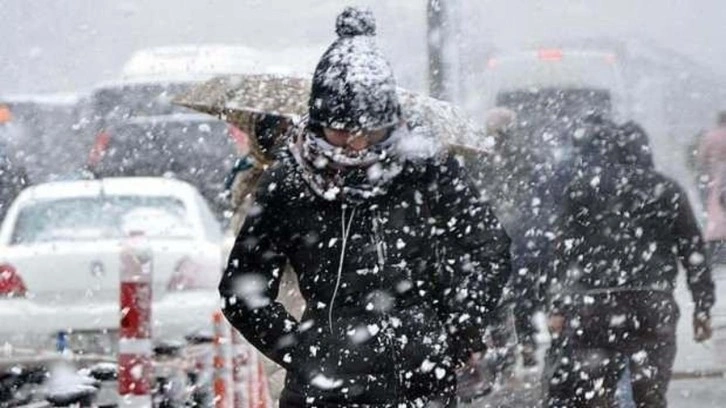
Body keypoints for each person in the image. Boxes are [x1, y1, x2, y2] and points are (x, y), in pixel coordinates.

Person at [218, 7, 512, 407]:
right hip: (323, 392)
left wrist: (457, 328)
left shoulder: (426, 169)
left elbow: (489, 248)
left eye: (369, 132)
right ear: (318, 122)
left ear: (390, 123)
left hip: (422, 383)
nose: (355, 146)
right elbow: (242, 290)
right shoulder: (289, 182)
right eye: (340, 132)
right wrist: (302, 352)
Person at [544, 120, 715, 407]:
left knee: (594, 391)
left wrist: (558, 306)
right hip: (651, 301)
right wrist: (703, 306)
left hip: (593, 304)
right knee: (649, 390)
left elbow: (563, 252)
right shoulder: (667, 190)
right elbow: (692, 249)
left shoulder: (582, 189)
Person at [698, 111, 726, 264]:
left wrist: (707, 169)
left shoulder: (711, 136)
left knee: (715, 207)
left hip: (717, 174)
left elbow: (702, 157)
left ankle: (716, 237)